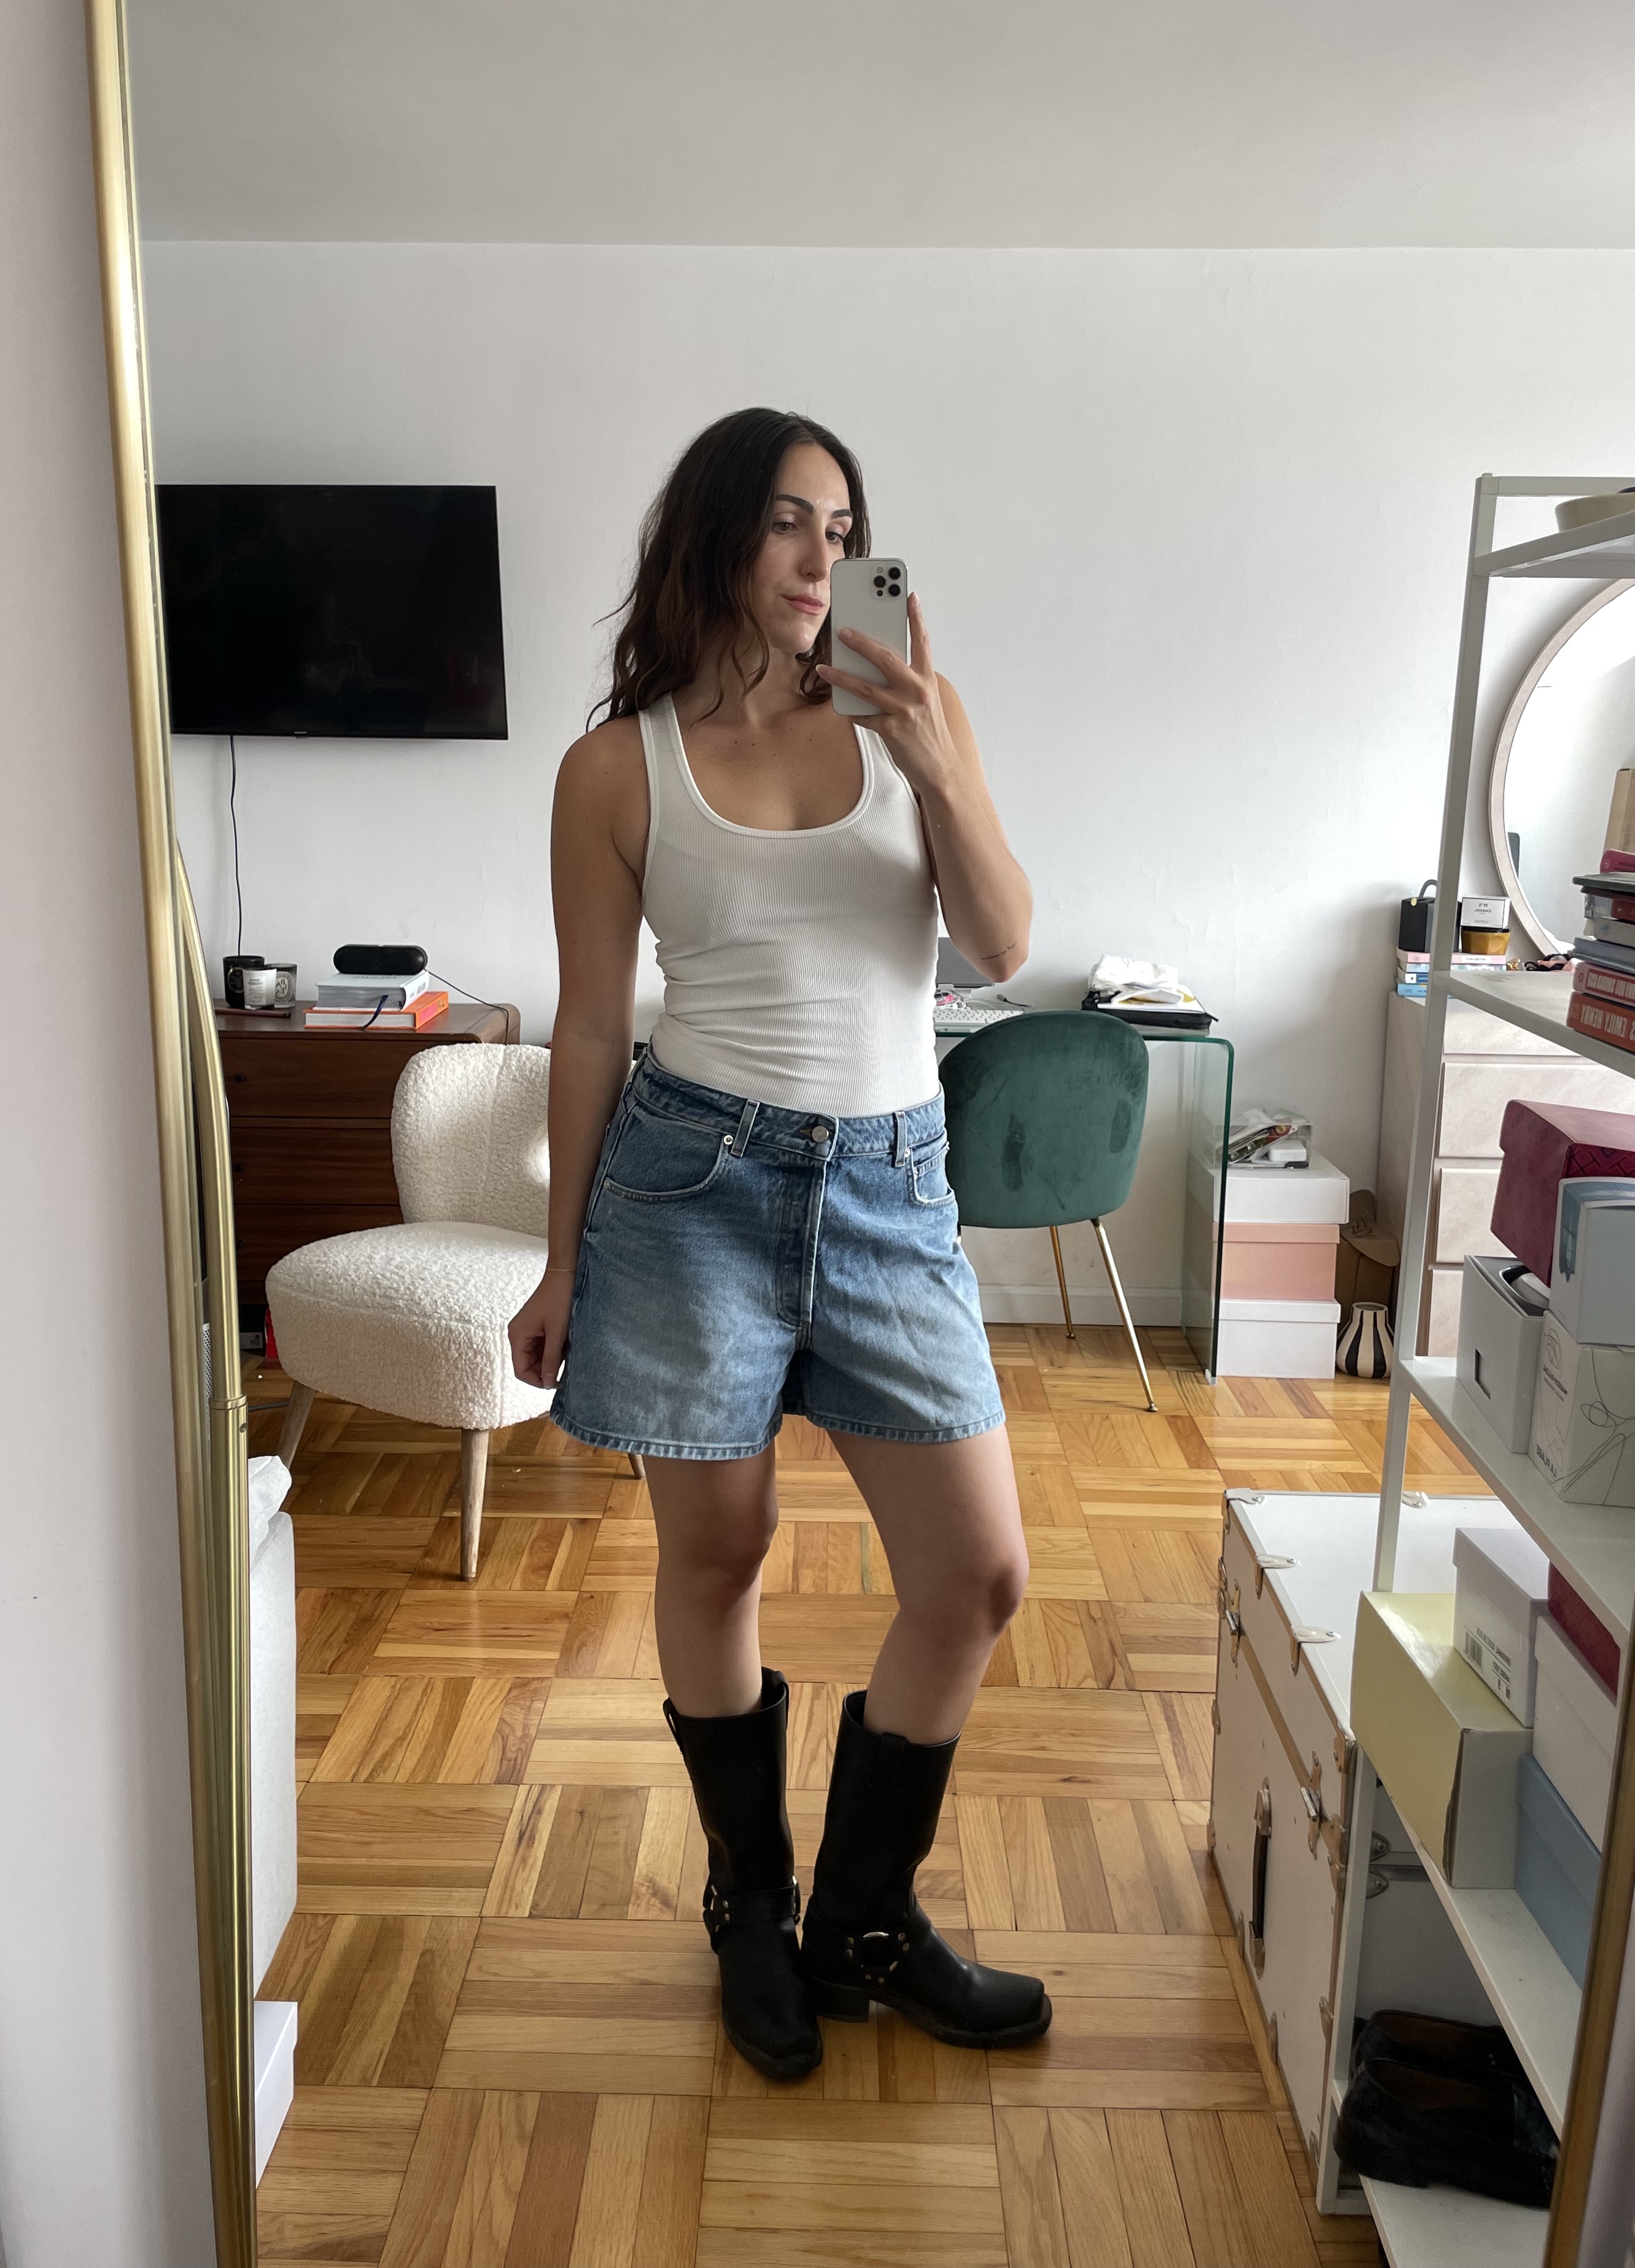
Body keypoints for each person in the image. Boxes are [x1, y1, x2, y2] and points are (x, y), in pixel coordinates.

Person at [510, 405, 1049, 2079]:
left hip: (891, 1191)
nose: (825, 556)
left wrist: (937, 762)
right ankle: (753, 1901)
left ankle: (864, 1925)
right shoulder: (617, 769)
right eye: (790, 522)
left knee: (978, 1574)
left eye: (845, 527)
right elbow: (590, 1028)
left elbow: (1004, 945)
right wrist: (561, 1259)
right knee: (719, 1558)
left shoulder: (912, 717)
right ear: (718, 535)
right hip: (693, 1191)